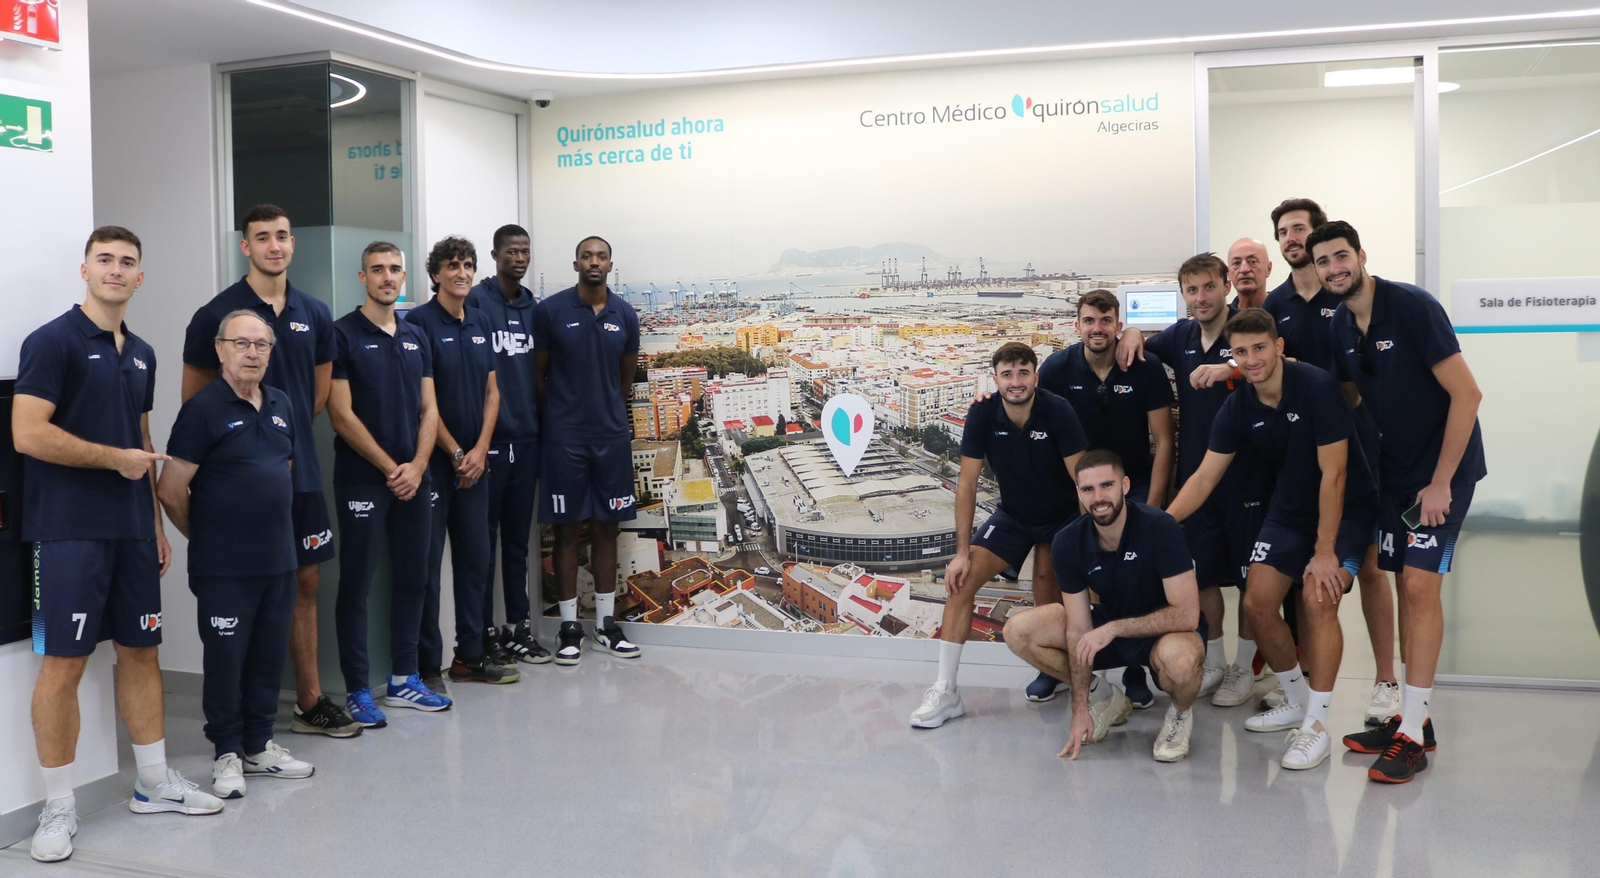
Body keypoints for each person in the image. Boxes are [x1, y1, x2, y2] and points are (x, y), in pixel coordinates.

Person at [19, 227, 222, 863]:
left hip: (132, 530)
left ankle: (153, 782)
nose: (115, 269)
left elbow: (141, 437)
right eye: (104, 259)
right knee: (64, 664)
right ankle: (58, 806)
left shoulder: (143, 353)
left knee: (141, 652)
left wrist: (154, 524)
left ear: (140, 277)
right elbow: (28, 433)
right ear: (85, 270)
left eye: (127, 262)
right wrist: (114, 460)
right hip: (67, 531)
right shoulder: (51, 341)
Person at [1166, 308, 1378, 770]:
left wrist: (1325, 551)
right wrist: (1161, 524)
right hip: (1289, 511)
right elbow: (1204, 477)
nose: (1252, 359)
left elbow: (1335, 474)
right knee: (1258, 603)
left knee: (1319, 599)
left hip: (1346, 509)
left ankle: (1317, 726)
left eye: (1259, 348)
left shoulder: (1316, 386)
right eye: (1240, 352)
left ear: (1279, 347)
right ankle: (1298, 702)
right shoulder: (1238, 405)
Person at [1315, 220, 1487, 784]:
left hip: (1442, 475)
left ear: (1361, 255)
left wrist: (1440, 483)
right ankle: (1417, 719)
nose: (1334, 268)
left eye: (1341, 256)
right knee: (1400, 586)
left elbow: (1468, 394)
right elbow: (1350, 393)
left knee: (1418, 588)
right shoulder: (1340, 324)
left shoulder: (1412, 307)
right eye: (1323, 262)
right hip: (1392, 474)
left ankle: (1411, 734)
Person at [181, 204, 360, 739]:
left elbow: (319, 393)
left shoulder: (315, 313)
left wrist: (277, 437)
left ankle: (309, 701)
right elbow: (195, 402)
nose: (274, 246)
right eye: (262, 237)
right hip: (236, 482)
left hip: (299, 472)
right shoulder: (215, 314)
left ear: (293, 243)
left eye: (282, 236)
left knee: (305, 581)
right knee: (240, 592)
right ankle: (236, 721)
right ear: (246, 246)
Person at [158, 310, 317, 799]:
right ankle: (226, 751)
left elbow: (284, 469)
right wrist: (206, 536)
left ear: (271, 352)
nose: (251, 353)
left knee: (268, 656)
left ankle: (259, 745)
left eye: (261, 345)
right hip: (224, 565)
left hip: (278, 560)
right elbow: (170, 489)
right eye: (241, 344)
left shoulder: (282, 403)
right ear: (220, 349)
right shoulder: (202, 409)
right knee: (227, 659)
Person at [1265, 198, 1400, 726]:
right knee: (1307, 577)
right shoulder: (1275, 302)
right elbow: (1246, 347)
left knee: (1370, 567)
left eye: (1300, 229)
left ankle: (1385, 681)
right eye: (1283, 231)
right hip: (1300, 455)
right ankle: (1304, 687)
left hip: (1359, 444)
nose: (1292, 238)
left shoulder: (1346, 296)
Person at [909, 342, 1087, 728]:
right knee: (961, 581)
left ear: (1036, 377)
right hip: (1014, 516)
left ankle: (1055, 671)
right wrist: (961, 552)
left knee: (1046, 580)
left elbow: (1082, 480)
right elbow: (967, 484)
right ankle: (946, 690)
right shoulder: (982, 413)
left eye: (1023, 372)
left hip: (1061, 517)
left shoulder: (1058, 411)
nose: (1016, 381)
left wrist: (1092, 541)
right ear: (995, 379)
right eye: (1007, 374)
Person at [1129, 254, 1273, 708]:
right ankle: (1213, 661)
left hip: (1249, 480)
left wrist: (1232, 369)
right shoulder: (1181, 336)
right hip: (1196, 481)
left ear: (1226, 285)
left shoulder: (1244, 332)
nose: (1201, 297)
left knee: (1251, 583)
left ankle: (1244, 667)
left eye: (1209, 286)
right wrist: (1131, 332)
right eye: (1192, 290)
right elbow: (1143, 344)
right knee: (1203, 577)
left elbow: (1279, 363)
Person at [1003, 450, 1206, 763]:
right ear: (1079, 494)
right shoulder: (1067, 541)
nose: (1098, 498)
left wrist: (1113, 629)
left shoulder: (1160, 527)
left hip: (1164, 631)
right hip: (1107, 625)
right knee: (1018, 631)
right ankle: (1104, 697)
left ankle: (1179, 715)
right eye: (1088, 489)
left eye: (1106, 485)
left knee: (1181, 662)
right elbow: (1077, 628)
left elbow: (1187, 615)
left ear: (1125, 485)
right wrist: (1080, 708)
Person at [327, 241, 449, 725]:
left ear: (404, 277)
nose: (386, 277)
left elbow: (430, 409)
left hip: (415, 478)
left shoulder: (416, 334)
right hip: (362, 479)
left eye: (394, 269)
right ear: (363, 277)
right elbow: (341, 414)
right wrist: (390, 468)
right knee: (356, 584)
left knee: (414, 577)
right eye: (377, 269)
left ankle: (404, 679)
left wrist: (417, 465)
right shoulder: (342, 334)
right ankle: (358, 691)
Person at [1036, 288, 1174, 707]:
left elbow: (1164, 441)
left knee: (1135, 573)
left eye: (1106, 320)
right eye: (1089, 321)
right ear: (1077, 325)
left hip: (1134, 484)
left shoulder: (1145, 368)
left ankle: (1134, 667)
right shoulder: (1057, 369)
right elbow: (1032, 414)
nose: (1097, 328)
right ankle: (1063, 665)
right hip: (1077, 486)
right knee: (1062, 565)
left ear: (1118, 324)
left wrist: (1154, 509)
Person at [407, 236, 519, 686]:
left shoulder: (479, 320)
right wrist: (456, 453)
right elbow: (424, 403)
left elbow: (493, 392)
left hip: (475, 465)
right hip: (435, 465)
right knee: (428, 568)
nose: (462, 272)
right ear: (436, 274)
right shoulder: (419, 323)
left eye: (468, 265)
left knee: (475, 560)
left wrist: (478, 451)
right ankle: (426, 665)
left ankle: (469, 657)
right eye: (452, 265)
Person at [533, 236, 642, 664]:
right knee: (566, 531)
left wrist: (604, 414)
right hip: (564, 439)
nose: (594, 262)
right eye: (586, 256)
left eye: (601, 257)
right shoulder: (551, 311)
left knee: (606, 529)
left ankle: (606, 627)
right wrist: (563, 418)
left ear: (610, 265)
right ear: (575, 263)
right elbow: (539, 376)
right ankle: (568, 629)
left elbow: (625, 380)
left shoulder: (625, 315)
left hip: (610, 438)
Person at [466, 224, 550, 665]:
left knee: (518, 543)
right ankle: (483, 632)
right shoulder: (477, 301)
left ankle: (519, 627)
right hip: (489, 443)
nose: (519, 258)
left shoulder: (535, 309)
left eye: (525, 251)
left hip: (528, 440)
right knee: (484, 545)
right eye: (512, 251)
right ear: (495, 254)